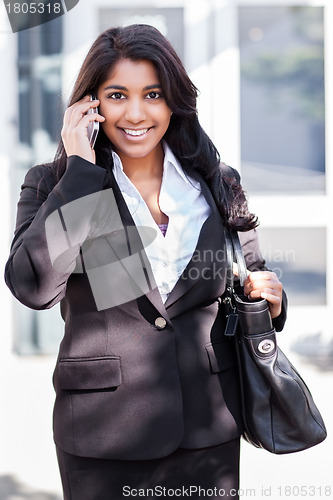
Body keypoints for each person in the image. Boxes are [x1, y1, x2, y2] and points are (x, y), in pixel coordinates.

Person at [5, 24, 286, 500]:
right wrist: (81, 174)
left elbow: (250, 277)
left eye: (152, 94)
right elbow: (34, 287)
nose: (136, 113)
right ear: (89, 105)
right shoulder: (55, 183)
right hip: (102, 435)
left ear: (173, 100)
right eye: (117, 94)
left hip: (208, 427)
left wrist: (273, 300)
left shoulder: (215, 181)